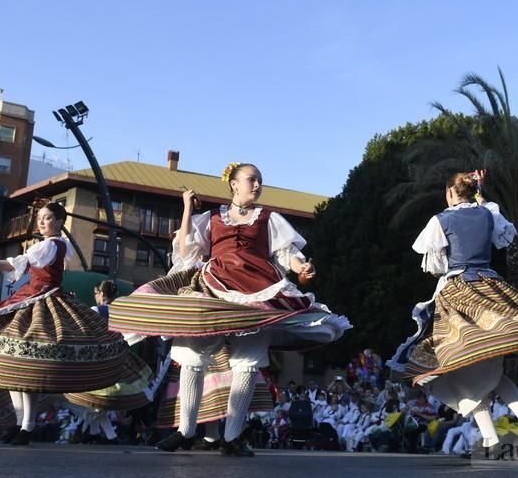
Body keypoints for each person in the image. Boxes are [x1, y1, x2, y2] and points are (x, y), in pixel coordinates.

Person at [108, 163, 350, 456]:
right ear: (234, 185)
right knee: (192, 356)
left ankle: (232, 437)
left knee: (246, 361)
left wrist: (303, 268)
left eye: (260, 180)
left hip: (260, 288)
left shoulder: (268, 218)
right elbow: (185, 252)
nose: (258, 185)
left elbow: (287, 254)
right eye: (252, 180)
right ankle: (186, 431)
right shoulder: (211, 218)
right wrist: (186, 208)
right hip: (214, 284)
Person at [388, 170, 518, 451]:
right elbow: (498, 229)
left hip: (458, 292)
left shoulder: (441, 219)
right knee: (488, 367)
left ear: (449, 192)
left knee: (460, 370)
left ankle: (497, 435)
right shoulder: (487, 212)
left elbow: (434, 265)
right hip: (491, 287)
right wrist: (481, 190)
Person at [0, 202, 127, 445]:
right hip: (37, 298)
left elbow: (14, 264)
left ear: (59, 222)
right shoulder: (60, 245)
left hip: (39, 301)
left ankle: (26, 426)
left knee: (26, 365)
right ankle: (21, 424)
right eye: (40, 218)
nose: (41, 222)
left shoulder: (49, 245)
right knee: (18, 365)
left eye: (47, 218)